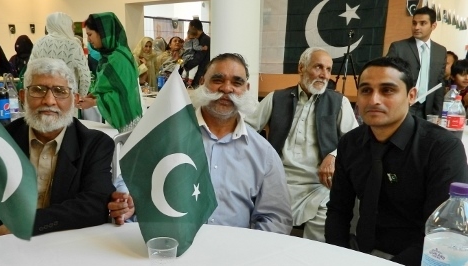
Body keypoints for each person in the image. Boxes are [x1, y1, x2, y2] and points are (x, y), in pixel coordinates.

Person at [110, 53, 293, 234]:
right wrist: (127, 202)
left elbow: (276, 218)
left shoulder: (263, 153)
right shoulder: (166, 135)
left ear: (247, 88)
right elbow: (128, 181)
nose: (226, 88)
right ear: (203, 81)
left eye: (236, 82)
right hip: (171, 247)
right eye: (217, 80)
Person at [0, 57, 116, 246]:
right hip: (9, 248)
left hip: (69, 245)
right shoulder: (1, 140)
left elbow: (95, 205)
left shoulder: (95, 144)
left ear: (74, 100)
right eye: (38, 90)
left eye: (60, 91)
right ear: (23, 97)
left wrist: (25, 225)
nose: (49, 100)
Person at [325, 57, 468, 265]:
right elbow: (338, 209)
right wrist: (336, 256)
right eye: (365, 90)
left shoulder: (441, 149)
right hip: (358, 253)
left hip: (419, 257)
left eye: (387, 90)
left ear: (411, 95)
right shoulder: (350, 143)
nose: (374, 99)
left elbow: (441, 232)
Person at [246, 47, 358, 242]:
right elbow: (247, 129)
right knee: (266, 235)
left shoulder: (339, 102)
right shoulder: (276, 98)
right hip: (277, 180)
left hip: (318, 185)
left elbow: (355, 139)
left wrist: (333, 155)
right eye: (318, 67)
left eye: (328, 69)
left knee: (323, 226)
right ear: (301, 68)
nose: (324, 75)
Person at [84, 12, 143, 133]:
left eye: (90, 34)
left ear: (103, 33)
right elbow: (110, 89)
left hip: (127, 123)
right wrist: (95, 95)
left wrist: (95, 101)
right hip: (124, 121)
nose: (88, 40)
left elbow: (123, 94)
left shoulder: (118, 59)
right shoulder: (112, 55)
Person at [386, 6, 446, 119]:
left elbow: (439, 84)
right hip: (403, 105)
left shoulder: (440, 51)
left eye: (423, 23)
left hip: (427, 109)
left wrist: (437, 114)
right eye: (414, 23)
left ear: (433, 26)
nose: (417, 27)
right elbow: (387, 77)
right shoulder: (399, 47)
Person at [30, 12, 91, 100]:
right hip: (67, 99)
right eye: (71, 25)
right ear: (64, 25)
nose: (74, 28)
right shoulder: (74, 45)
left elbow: (30, 74)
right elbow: (85, 77)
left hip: (43, 98)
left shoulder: (39, 44)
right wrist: (80, 97)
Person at [182, 19, 210, 88]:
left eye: (189, 28)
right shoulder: (197, 39)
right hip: (195, 72)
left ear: (193, 27)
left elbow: (198, 58)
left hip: (200, 73)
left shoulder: (205, 39)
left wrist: (185, 65)